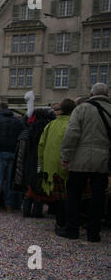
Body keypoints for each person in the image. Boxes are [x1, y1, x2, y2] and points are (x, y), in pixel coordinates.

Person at [57, 83, 110, 242]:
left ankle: (72, 229)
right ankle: (94, 233)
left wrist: (66, 157)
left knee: (74, 194)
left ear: (91, 94)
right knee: (98, 197)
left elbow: (71, 134)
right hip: (103, 160)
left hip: (80, 159)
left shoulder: (82, 108)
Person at [38, 99, 76, 228]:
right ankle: (65, 222)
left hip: (51, 166)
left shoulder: (50, 125)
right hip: (67, 164)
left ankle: (59, 222)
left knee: (58, 197)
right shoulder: (73, 124)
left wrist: (43, 164)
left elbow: (41, 146)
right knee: (70, 195)